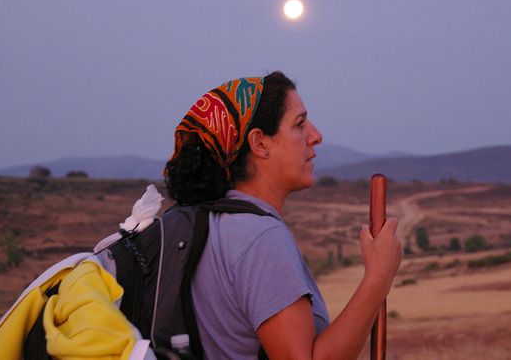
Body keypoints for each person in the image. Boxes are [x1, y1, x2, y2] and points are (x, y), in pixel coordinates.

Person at [163, 72, 402, 360]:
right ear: (260, 143)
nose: (315, 136)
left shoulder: (210, 224)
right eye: (299, 124)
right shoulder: (258, 237)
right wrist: (378, 277)